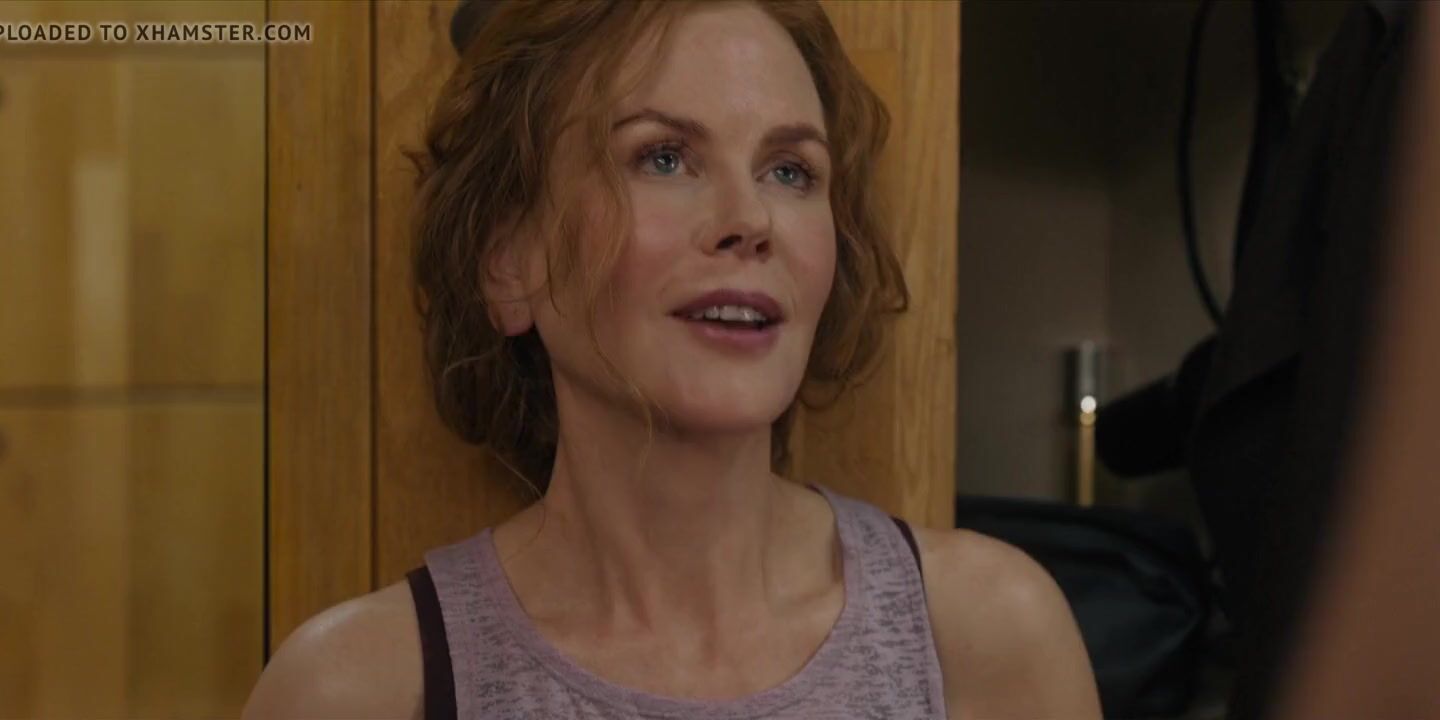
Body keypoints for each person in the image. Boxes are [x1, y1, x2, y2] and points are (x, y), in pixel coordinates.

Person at [243, 2, 1099, 718]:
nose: (750, 219)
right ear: (508, 263)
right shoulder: (357, 689)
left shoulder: (987, 636)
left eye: (791, 171)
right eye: (663, 157)